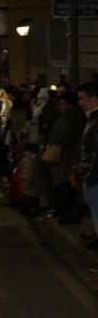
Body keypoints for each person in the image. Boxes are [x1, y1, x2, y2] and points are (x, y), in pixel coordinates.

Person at [78, 82, 98, 248]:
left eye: (82, 99)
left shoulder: (95, 122)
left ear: (94, 100)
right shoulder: (91, 120)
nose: (80, 103)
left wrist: (90, 178)